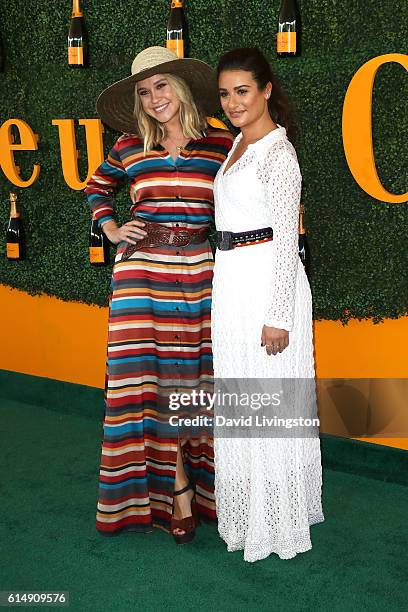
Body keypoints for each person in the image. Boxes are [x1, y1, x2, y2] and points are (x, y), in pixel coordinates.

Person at [85, 46, 233, 544]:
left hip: (199, 270)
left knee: (191, 379)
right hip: (139, 276)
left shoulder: (221, 142)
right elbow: (96, 185)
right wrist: (109, 226)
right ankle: (179, 489)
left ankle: (200, 489)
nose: (154, 99)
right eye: (144, 92)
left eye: (161, 86)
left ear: (182, 88)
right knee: (141, 383)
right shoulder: (128, 145)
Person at [211, 47, 324, 562]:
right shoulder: (237, 145)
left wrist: (279, 317)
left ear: (266, 91)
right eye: (225, 94)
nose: (233, 102)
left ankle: (279, 522)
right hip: (232, 281)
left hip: (266, 286)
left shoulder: (279, 155)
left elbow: (286, 242)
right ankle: (253, 511)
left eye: (243, 92)